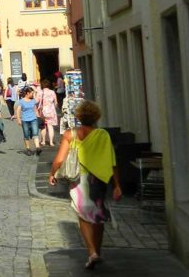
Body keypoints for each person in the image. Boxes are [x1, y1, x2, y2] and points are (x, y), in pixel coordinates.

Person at [48, 101, 122, 270]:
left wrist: (52, 174)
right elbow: (112, 162)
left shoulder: (70, 134)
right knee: (98, 216)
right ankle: (98, 251)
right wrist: (117, 185)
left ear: (79, 116)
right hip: (99, 179)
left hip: (79, 180)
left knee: (83, 215)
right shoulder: (103, 135)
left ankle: (91, 252)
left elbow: (59, 160)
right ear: (96, 116)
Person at [14, 87, 42, 156]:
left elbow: (35, 109)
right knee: (26, 135)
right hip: (25, 120)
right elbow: (18, 111)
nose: (33, 94)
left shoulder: (33, 100)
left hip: (33, 119)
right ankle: (28, 149)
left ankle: (38, 148)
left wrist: (38, 117)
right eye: (32, 93)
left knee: (35, 133)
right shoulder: (21, 101)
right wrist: (18, 120)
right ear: (27, 93)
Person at [38, 78, 60, 147]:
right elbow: (56, 103)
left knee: (43, 126)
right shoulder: (52, 92)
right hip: (51, 111)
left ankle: (43, 141)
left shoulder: (40, 92)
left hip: (43, 111)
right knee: (50, 127)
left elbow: (36, 101)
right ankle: (51, 142)